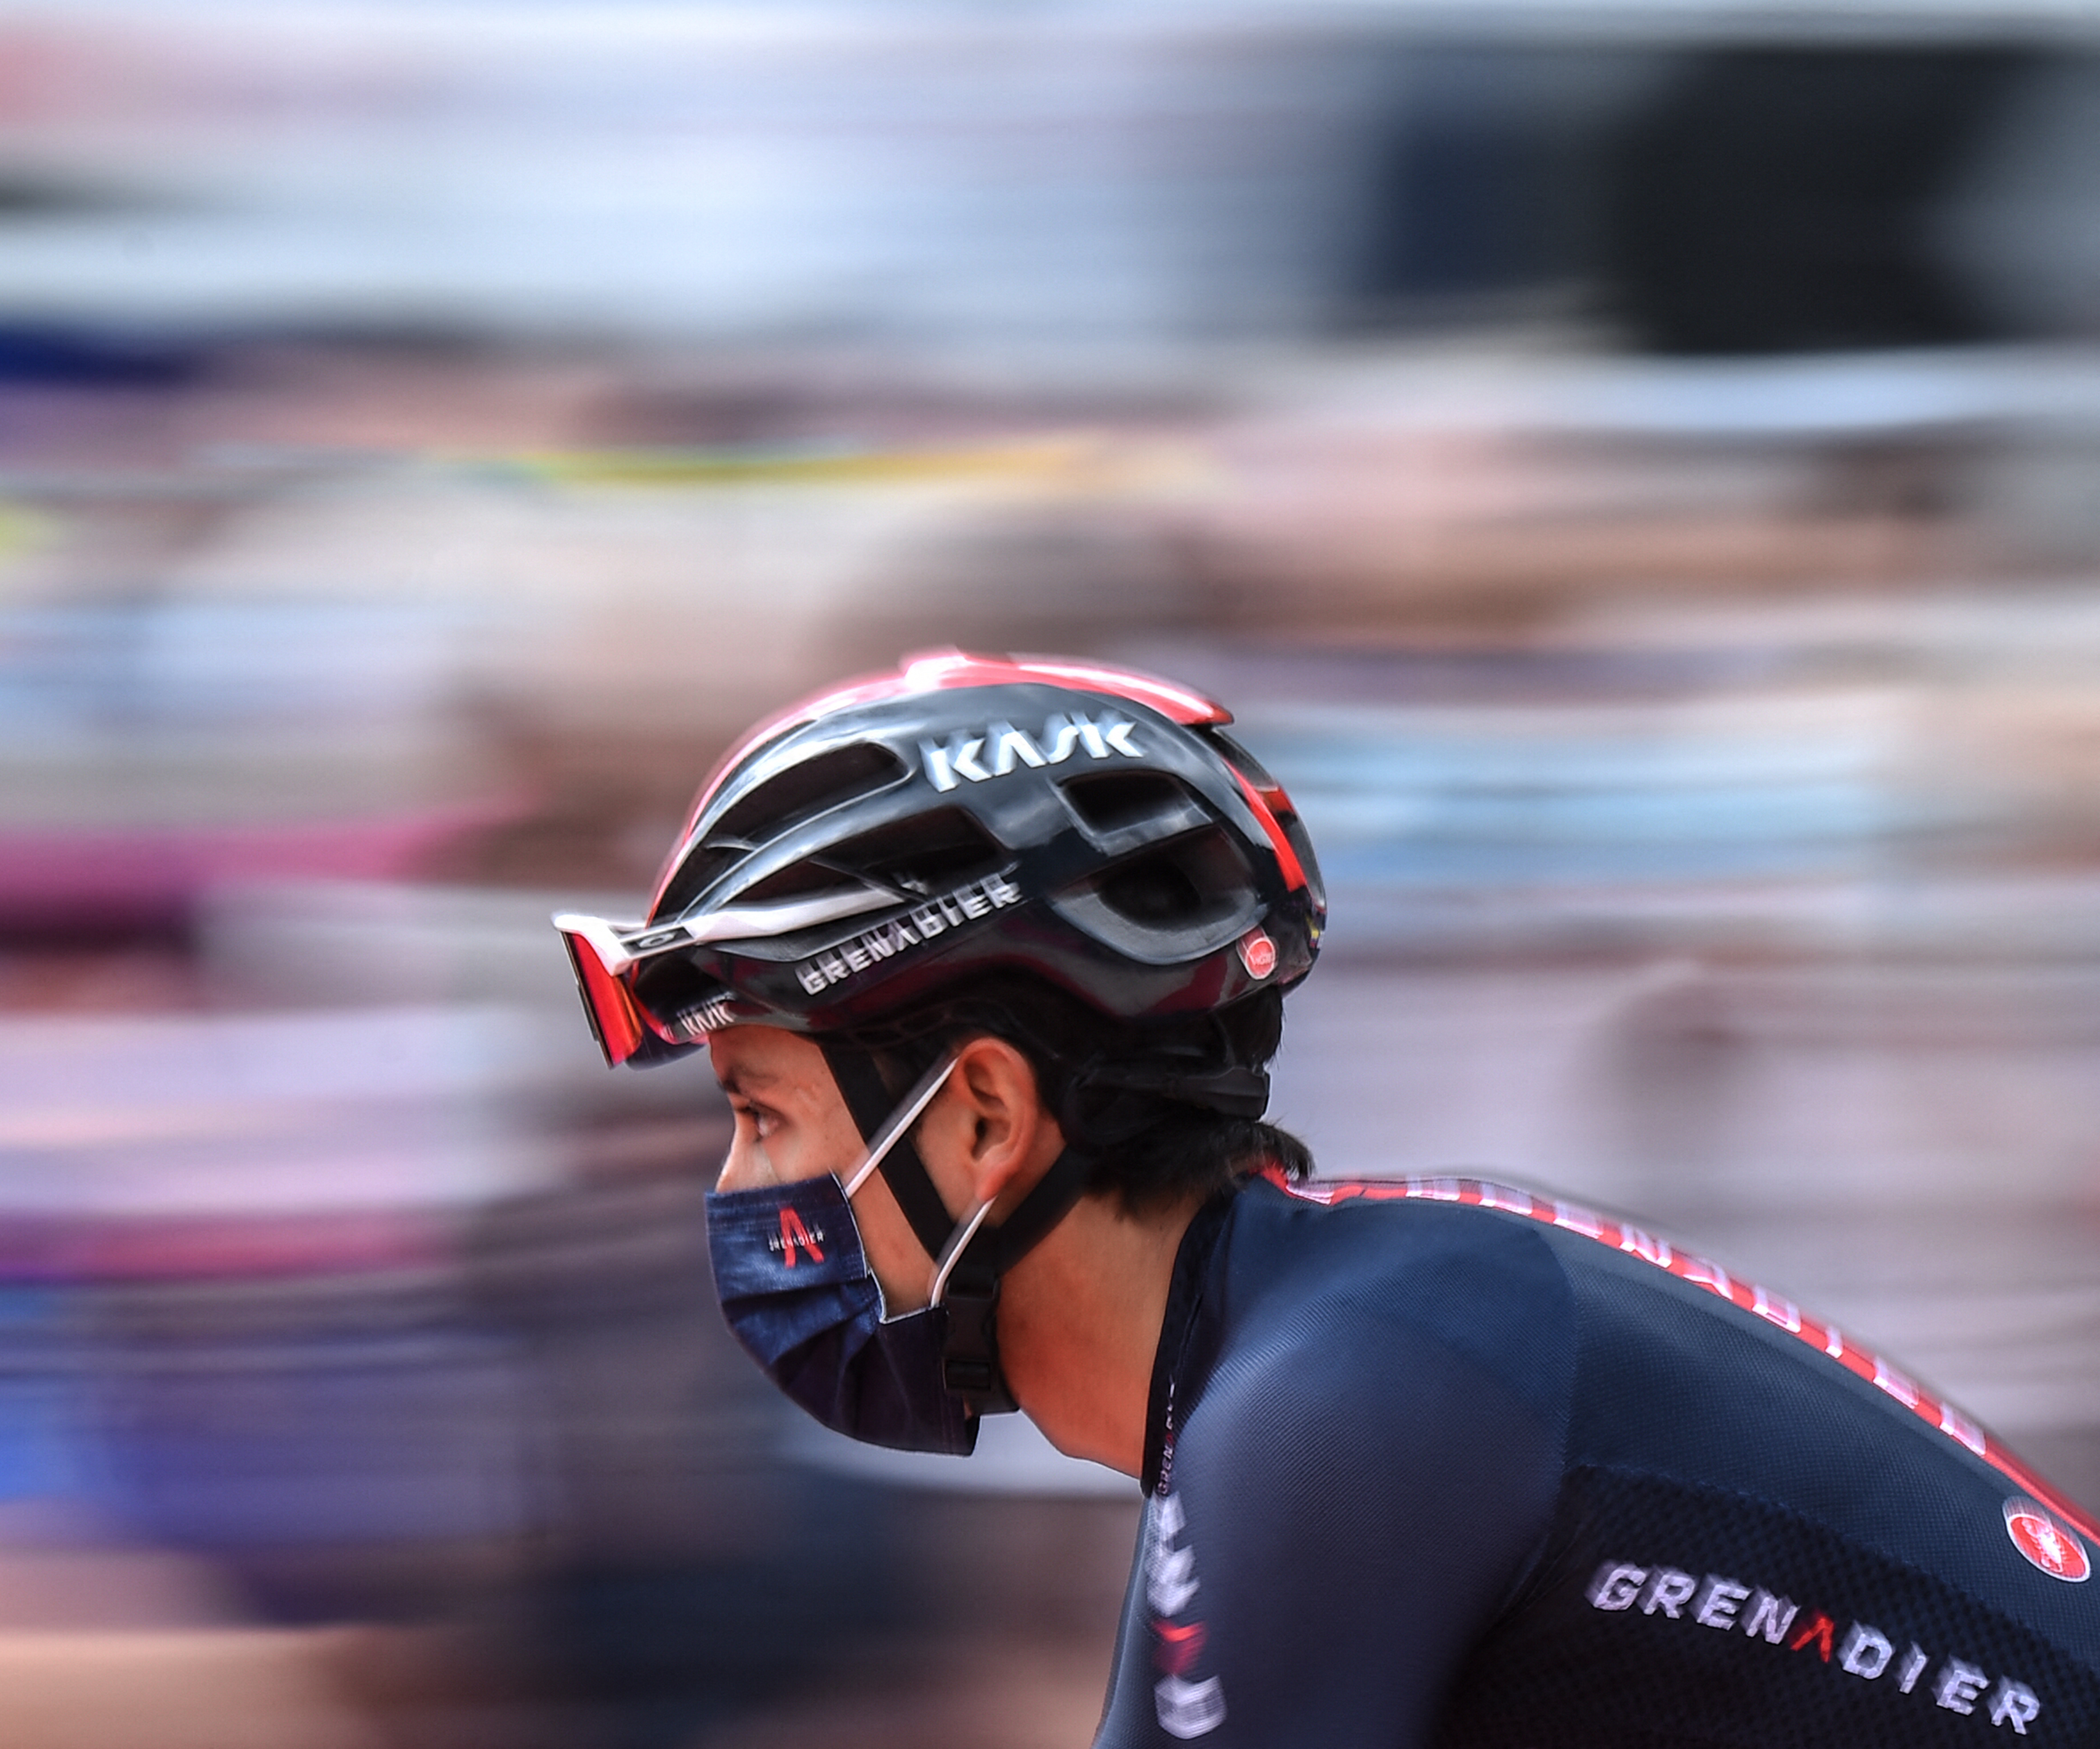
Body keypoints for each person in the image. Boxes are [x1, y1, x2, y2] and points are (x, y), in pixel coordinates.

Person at [551, 650, 2100, 1748]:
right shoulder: (1332, 1344)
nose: (743, 1186)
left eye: (760, 1113)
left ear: (980, 1118)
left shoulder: (1334, 1409)